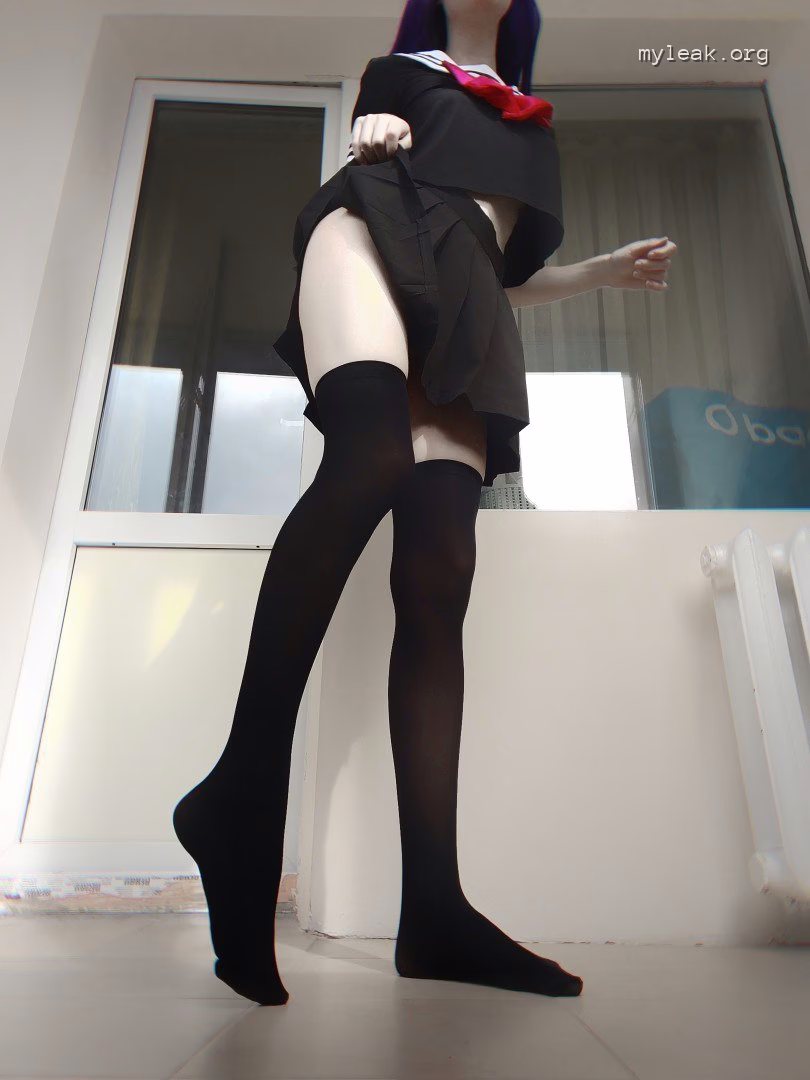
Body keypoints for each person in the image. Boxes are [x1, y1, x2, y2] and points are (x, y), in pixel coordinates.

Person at [173, 0, 677, 1008]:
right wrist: (375, 124)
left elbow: (499, 267)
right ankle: (239, 794)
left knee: (442, 571)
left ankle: (435, 910)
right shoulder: (407, 71)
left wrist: (598, 275)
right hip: (372, 231)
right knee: (369, 456)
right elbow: (382, 143)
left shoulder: (533, 124)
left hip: (468, 299)